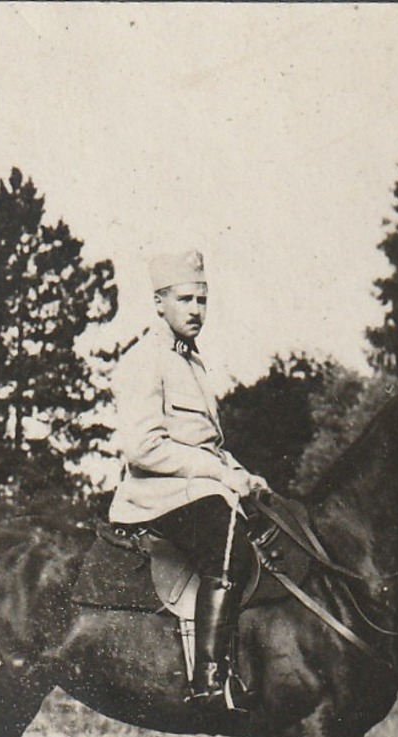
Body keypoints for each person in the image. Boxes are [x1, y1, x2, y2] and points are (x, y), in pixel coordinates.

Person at [108, 250, 269, 707]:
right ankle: (209, 683)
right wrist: (218, 473)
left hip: (197, 486)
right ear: (159, 303)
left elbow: (208, 445)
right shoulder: (145, 360)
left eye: (202, 299)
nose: (196, 310)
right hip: (155, 493)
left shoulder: (192, 364)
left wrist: (241, 474)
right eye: (185, 299)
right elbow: (143, 448)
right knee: (228, 546)